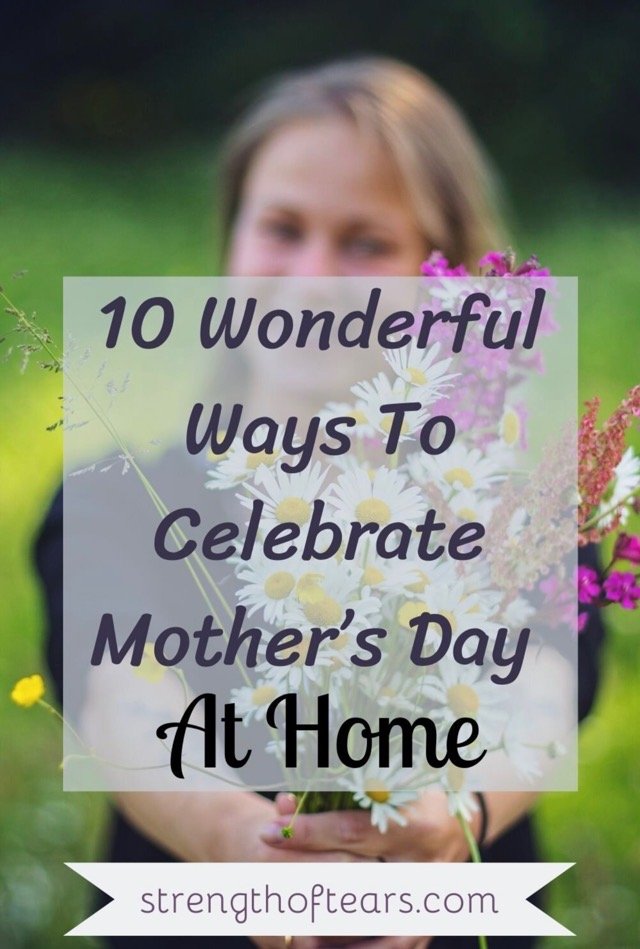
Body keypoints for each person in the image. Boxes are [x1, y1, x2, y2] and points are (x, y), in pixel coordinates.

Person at [35, 56, 605, 949]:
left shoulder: (508, 506)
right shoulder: (125, 499)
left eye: (367, 242)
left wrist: (459, 814)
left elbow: (539, 682)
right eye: (282, 227)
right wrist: (247, 849)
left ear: (443, 278)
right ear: (230, 239)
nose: (311, 277)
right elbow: (123, 702)